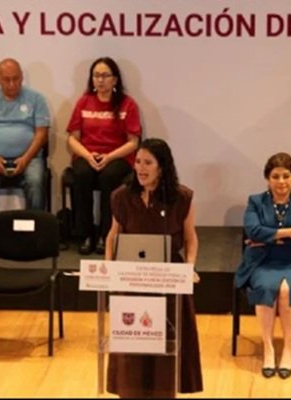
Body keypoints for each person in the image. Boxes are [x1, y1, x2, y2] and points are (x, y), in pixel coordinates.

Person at [104, 138, 202, 398]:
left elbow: (191, 239)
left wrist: (189, 269)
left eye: (148, 162)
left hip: (167, 282)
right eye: (138, 162)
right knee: (133, 341)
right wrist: (109, 270)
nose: (141, 168)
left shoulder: (182, 197)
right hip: (131, 281)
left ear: (162, 167)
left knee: (165, 345)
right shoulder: (121, 196)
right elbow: (113, 236)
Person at [234, 152, 291, 379]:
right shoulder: (256, 201)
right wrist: (290, 233)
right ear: (267, 178)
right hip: (263, 261)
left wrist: (269, 237)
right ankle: (268, 348)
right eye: (275, 176)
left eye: (286, 176)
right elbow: (253, 231)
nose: (281, 181)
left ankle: (288, 348)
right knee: (266, 287)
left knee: (286, 290)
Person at [67, 57, 141, 255]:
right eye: (96, 76)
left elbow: (133, 142)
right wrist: (88, 156)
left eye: (105, 76)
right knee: (82, 174)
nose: (100, 80)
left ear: (115, 79)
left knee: (109, 177)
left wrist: (109, 157)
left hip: (118, 156)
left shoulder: (127, 104)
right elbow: (73, 138)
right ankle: (85, 233)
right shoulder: (84, 101)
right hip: (88, 154)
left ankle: (106, 233)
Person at [0, 58, 50, 239]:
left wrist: (26, 158)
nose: (12, 84)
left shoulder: (36, 99)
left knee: (36, 182)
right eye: (6, 79)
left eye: (16, 79)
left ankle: (34, 234)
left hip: (30, 157)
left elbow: (41, 133)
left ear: (22, 77)